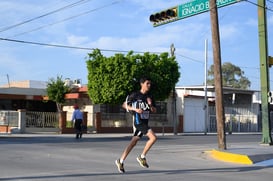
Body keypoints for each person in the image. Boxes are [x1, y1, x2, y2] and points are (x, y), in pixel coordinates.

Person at [115, 77, 157, 173]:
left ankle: (120, 161)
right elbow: (124, 105)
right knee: (153, 138)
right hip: (138, 122)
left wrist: (150, 105)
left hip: (145, 122)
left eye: (150, 84)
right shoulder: (135, 95)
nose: (149, 85)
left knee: (133, 142)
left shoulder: (150, 96)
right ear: (142, 84)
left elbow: (154, 110)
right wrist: (135, 109)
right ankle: (142, 157)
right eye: (147, 83)